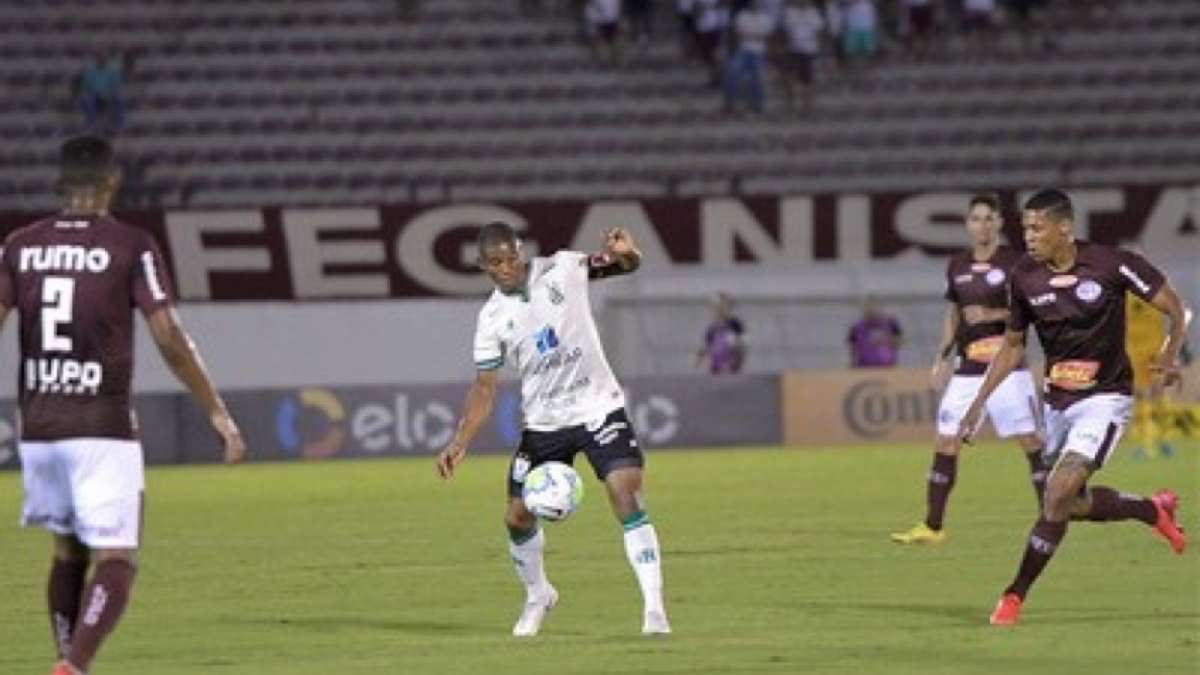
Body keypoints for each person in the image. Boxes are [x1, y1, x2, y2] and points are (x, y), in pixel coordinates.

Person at [1, 136, 246, 675]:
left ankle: (64, 657)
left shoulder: (19, 246)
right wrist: (216, 410)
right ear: (113, 180)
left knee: (67, 553)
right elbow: (169, 337)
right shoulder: (130, 246)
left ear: (61, 184)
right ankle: (74, 666)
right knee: (117, 558)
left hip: (40, 425)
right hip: (101, 424)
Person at [958, 188, 1188, 626]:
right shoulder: (1024, 277)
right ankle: (1151, 510)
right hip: (1057, 404)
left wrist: (1170, 352)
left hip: (1105, 399)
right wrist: (978, 402)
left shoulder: (1111, 263)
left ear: (1065, 229)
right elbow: (1011, 347)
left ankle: (1013, 596)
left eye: (1037, 227)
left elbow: (1176, 308)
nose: (1028, 236)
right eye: (1025, 227)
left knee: (1059, 492)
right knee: (1069, 504)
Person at [435, 222, 670, 637]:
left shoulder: (563, 268)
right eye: (495, 263)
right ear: (482, 266)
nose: (506, 268)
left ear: (520, 251)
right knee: (516, 515)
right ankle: (538, 594)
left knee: (624, 491)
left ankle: (654, 610)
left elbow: (622, 266)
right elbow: (484, 388)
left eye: (510, 258)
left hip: (597, 407)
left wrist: (627, 252)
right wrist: (460, 440)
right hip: (544, 425)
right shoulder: (491, 318)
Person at [891, 193, 1045, 545]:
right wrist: (941, 357)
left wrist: (992, 316)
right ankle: (932, 526)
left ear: (1000, 224)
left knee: (1031, 440)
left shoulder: (1017, 263)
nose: (982, 225)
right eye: (976, 219)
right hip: (968, 367)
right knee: (946, 439)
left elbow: (1033, 309)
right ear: (967, 224)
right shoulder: (957, 265)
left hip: (1007, 365)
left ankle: (1050, 519)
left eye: (989, 218)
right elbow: (954, 314)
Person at [722, 0, 775, 114]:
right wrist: (755, 34)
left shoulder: (765, 17)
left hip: (759, 52)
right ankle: (730, 104)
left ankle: (757, 106)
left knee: (757, 79)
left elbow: (765, 36)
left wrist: (751, 34)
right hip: (743, 51)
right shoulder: (742, 16)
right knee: (732, 73)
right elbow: (740, 34)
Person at [847, 296, 902, 367]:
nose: (871, 312)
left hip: (887, 368)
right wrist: (851, 365)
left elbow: (900, 342)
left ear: (879, 309)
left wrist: (886, 339)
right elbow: (852, 348)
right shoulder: (856, 327)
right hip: (863, 368)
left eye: (874, 308)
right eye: (868, 309)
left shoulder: (891, 323)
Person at [78, 52, 125, 134]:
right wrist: (94, 93)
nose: (101, 61)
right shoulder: (91, 71)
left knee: (120, 100)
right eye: (99, 59)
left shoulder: (112, 71)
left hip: (108, 95)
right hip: (95, 95)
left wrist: (109, 93)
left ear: (106, 61)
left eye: (103, 59)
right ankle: (91, 122)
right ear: (97, 61)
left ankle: (119, 125)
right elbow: (87, 86)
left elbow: (116, 85)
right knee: (87, 100)